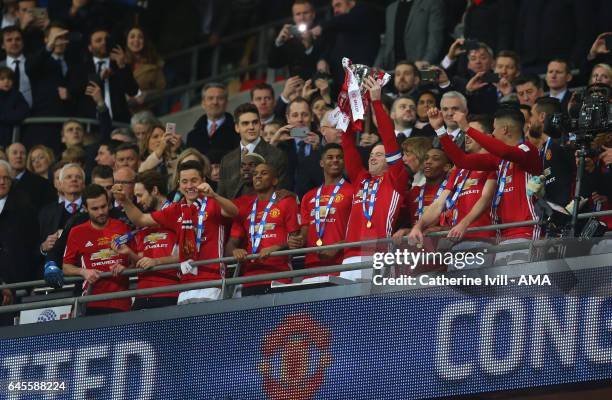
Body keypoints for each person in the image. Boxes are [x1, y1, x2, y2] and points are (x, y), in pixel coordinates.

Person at [112, 160, 238, 304]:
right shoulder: (175, 210)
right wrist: (125, 201)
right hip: (184, 284)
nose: (189, 186)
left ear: (203, 181)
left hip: (212, 281)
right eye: (184, 181)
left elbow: (233, 212)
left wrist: (214, 195)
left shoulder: (213, 204)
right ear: (179, 183)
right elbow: (140, 219)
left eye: (194, 180)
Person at [429, 105, 542, 264]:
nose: (492, 134)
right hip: (502, 236)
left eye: (494, 129)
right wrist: (440, 130)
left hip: (525, 231)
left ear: (505, 130)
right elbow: (462, 160)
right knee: (506, 287)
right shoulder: (499, 161)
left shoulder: (528, 150)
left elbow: (505, 151)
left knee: (522, 285)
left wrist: (467, 128)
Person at [403, 117, 498, 269]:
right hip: (455, 243)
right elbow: (439, 203)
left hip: (482, 238)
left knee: (476, 290)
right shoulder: (459, 170)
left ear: (486, 137)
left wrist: (463, 224)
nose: (466, 136)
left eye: (471, 132)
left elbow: (486, 198)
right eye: (465, 132)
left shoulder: (494, 163)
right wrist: (418, 226)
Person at [340, 77, 410, 278]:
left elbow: (389, 138)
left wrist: (377, 103)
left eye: (379, 154)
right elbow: (347, 144)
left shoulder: (396, 179)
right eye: (371, 154)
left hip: (379, 255)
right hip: (350, 256)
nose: (373, 157)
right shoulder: (361, 179)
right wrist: (348, 110)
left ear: (390, 159)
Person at [227, 163, 301, 296]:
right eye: (255, 174)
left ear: (275, 180)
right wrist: (235, 251)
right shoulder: (246, 206)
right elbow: (230, 245)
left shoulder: (286, 202)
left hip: (279, 275)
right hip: (250, 279)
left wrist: (276, 248)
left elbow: (296, 242)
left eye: (264, 173)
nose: (258, 176)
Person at [111, 170, 179, 310]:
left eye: (140, 195)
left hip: (169, 290)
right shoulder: (145, 223)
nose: (138, 201)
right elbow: (142, 259)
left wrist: (124, 200)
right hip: (143, 292)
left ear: (154, 190)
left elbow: (185, 255)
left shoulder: (176, 212)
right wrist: (130, 254)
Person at [62, 184, 132, 315]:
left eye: (103, 206)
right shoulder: (76, 232)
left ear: (109, 204)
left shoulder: (123, 227)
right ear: (85, 208)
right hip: (91, 302)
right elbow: (66, 267)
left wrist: (126, 269)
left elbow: (135, 261)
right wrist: (83, 272)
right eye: (95, 208)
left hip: (121, 303)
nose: (101, 212)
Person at [297, 143, 353, 274]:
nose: (335, 160)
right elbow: (305, 230)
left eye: (339, 157)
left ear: (344, 162)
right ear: (322, 163)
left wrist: (338, 246)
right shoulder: (308, 196)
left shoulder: (353, 191)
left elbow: (359, 230)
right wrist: (298, 240)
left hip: (341, 263)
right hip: (311, 265)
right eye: (330, 157)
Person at [68, 27, 139, 123]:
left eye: (106, 39)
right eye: (98, 41)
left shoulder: (119, 65)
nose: (104, 43)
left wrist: (122, 66)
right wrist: (98, 77)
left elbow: (133, 91)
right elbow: (74, 90)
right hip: (91, 125)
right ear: (90, 47)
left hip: (119, 124)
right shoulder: (80, 68)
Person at [218, 103, 287, 199]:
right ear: (237, 128)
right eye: (245, 123)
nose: (251, 127)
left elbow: (279, 193)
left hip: (263, 211)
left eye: (255, 122)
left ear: (260, 124)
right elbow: (221, 197)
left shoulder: (276, 155)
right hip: (232, 212)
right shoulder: (227, 160)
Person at [312, 0, 383, 94]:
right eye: (334, 7)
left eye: (338, 5)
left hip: (362, 78)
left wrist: (322, 27)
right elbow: (330, 45)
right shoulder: (338, 26)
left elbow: (349, 19)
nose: (335, 10)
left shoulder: (364, 11)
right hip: (341, 81)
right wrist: (323, 59)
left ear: (351, 3)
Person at [526, 97, 575, 207]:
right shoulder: (543, 149)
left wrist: (575, 203)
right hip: (556, 215)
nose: (530, 121)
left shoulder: (561, 144)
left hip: (571, 214)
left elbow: (577, 173)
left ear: (542, 116)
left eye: (532, 115)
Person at [271, 97, 322, 197]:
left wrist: (320, 148)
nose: (300, 119)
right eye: (295, 115)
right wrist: (273, 143)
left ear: (312, 117)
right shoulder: (280, 145)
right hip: (285, 203)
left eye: (305, 115)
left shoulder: (323, 141)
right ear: (288, 118)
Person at [0, 159, 39, 286]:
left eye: (6, 178)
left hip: (17, 276)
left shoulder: (24, 206)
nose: (2, 182)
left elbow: (32, 243)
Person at [376, 0, 443, 70]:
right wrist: (377, 66)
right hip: (394, 71)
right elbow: (386, 43)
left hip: (418, 71)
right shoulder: (391, 9)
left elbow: (435, 39)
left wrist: (426, 61)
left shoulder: (432, 4)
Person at [38, 163, 84, 258]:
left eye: (78, 177)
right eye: (68, 177)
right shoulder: (47, 212)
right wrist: (43, 247)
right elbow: (36, 245)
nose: (74, 179)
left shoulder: (93, 208)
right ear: (61, 184)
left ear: (83, 184)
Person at [268, 0, 320, 79]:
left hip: (320, 85)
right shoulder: (290, 39)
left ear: (313, 15)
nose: (302, 18)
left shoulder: (323, 34)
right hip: (298, 88)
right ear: (294, 18)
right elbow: (273, 64)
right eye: (298, 14)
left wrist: (309, 47)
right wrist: (278, 42)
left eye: (305, 13)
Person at [185, 83, 239, 158]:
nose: (215, 102)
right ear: (203, 103)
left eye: (220, 98)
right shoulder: (192, 136)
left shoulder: (238, 131)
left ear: (226, 103)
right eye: (210, 98)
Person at [124, 25, 166, 110]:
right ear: (127, 41)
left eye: (140, 37)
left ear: (145, 41)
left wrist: (147, 95)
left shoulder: (154, 66)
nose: (136, 40)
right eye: (132, 37)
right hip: (122, 115)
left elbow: (162, 92)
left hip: (145, 114)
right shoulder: (119, 64)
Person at [7, 142, 55, 210]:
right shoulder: (3, 181)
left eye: (22, 153)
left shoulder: (42, 184)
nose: (19, 156)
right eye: (15, 153)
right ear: (7, 157)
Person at [0, 66, 28, 149]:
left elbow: (23, 113)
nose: (6, 82)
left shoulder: (17, 95)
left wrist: (2, 116)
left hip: (10, 139)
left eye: (9, 79)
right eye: (2, 79)